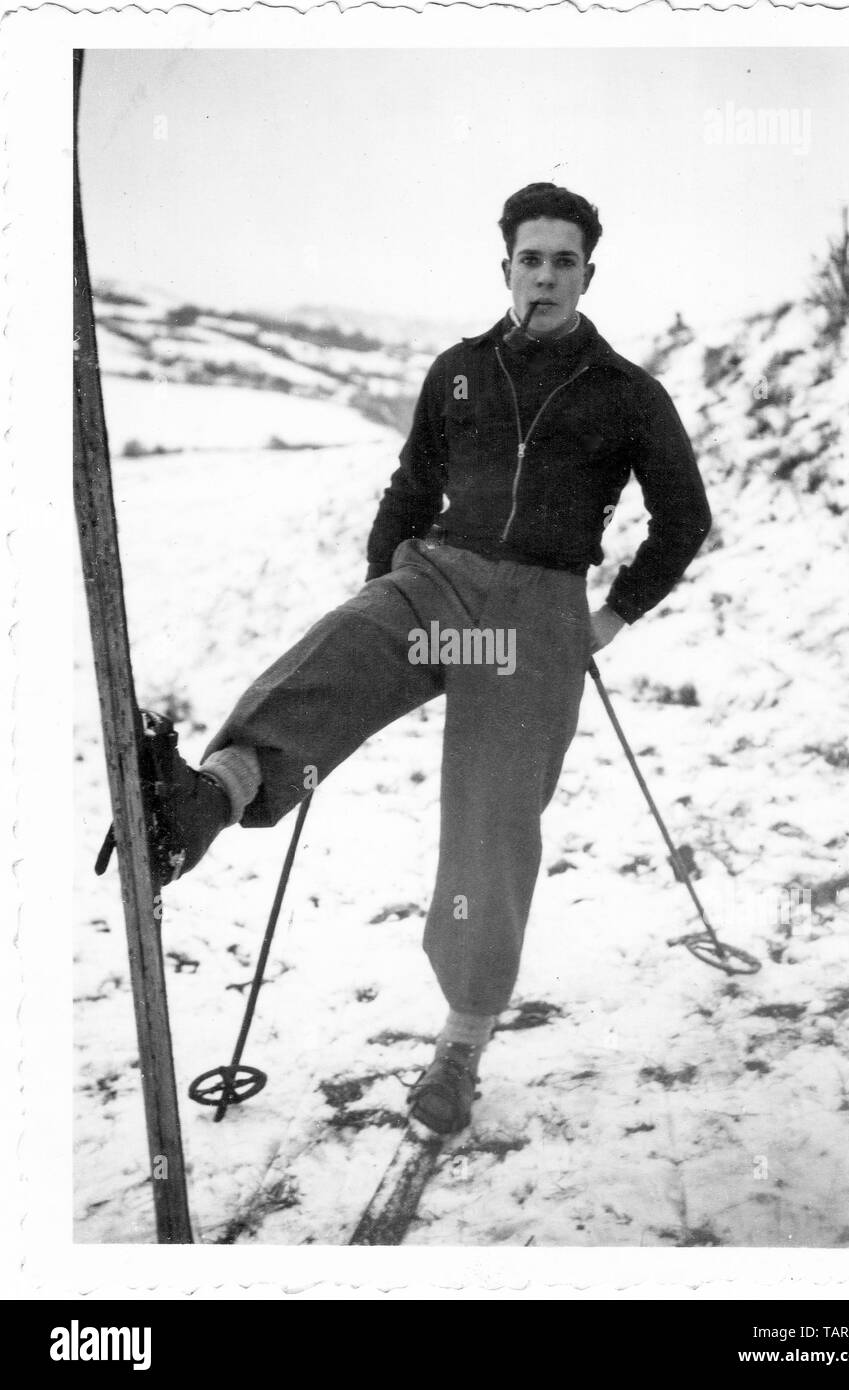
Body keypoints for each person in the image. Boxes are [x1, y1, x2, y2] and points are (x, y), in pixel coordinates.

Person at [141, 183, 712, 1135]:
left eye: (563, 261)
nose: (545, 275)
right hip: (438, 581)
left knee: (490, 820)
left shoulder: (628, 392)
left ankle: (458, 1046)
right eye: (530, 258)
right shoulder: (459, 369)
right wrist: (382, 592)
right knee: (336, 655)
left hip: (533, 616)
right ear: (505, 268)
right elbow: (410, 485)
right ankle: (212, 799)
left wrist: (609, 617)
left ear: (587, 274)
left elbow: (682, 518)